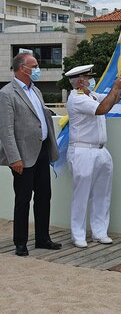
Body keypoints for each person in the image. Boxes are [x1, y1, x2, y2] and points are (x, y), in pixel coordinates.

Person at [0, 53, 61, 256]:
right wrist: (14, 158)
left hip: (41, 150)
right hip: (22, 155)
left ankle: (43, 238)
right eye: (34, 66)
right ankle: (20, 242)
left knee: (44, 196)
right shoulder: (7, 93)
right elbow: (6, 130)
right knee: (23, 199)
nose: (37, 69)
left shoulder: (36, 90)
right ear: (22, 68)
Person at [65, 64, 121, 248]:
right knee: (81, 195)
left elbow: (112, 100)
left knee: (102, 194)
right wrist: (115, 86)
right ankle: (78, 234)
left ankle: (99, 232)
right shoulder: (77, 99)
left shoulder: (90, 95)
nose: (91, 80)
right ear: (80, 81)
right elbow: (102, 108)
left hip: (100, 150)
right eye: (88, 77)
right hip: (82, 150)